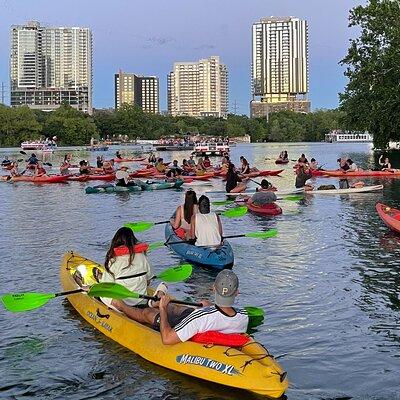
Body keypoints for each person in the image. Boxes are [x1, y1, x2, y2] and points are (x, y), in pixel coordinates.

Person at [113, 269, 249, 345]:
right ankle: (156, 300)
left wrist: (162, 309)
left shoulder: (199, 318)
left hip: (194, 320)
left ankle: (121, 305)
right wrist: (210, 306)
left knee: (147, 313)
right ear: (237, 292)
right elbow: (222, 316)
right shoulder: (244, 316)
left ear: (213, 289)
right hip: (202, 314)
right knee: (175, 307)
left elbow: (167, 339)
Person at [99, 227, 153, 310]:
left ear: (116, 241)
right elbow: (148, 281)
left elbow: (106, 286)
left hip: (123, 303)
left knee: (103, 292)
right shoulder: (142, 256)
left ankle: (116, 307)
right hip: (141, 301)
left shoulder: (112, 261)